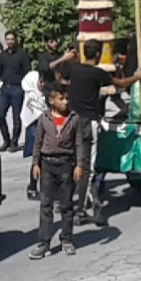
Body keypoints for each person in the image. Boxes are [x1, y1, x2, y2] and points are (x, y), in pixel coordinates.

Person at [67, 39, 141, 225]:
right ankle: (80, 210)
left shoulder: (75, 69)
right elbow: (121, 83)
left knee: (73, 162)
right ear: (98, 54)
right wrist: (137, 76)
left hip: (72, 122)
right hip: (88, 122)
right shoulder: (96, 73)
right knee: (87, 167)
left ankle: (68, 202)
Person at [28, 82, 89, 260]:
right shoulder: (44, 119)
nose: (65, 102)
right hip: (47, 165)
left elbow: (79, 143)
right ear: (51, 100)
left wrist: (79, 165)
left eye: (67, 98)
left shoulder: (74, 118)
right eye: (61, 99)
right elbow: (38, 143)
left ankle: (66, 239)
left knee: (66, 205)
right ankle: (44, 243)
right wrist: (35, 163)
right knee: (46, 205)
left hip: (65, 165)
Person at [0, 31, 31, 152]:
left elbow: (27, 72)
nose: (10, 41)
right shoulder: (2, 56)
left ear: (15, 40)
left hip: (17, 89)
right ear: (5, 41)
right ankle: (6, 140)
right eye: (8, 39)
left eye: (12, 39)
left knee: (16, 118)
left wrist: (26, 88)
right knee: (0, 115)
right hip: (5, 89)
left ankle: (14, 143)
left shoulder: (22, 54)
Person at [19, 71, 48, 200]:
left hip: (46, 128)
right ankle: (32, 188)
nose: (42, 85)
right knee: (38, 159)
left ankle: (43, 188)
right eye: (40, 82)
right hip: (35, 129)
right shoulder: (31, 96)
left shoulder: (44, 95)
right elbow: (30, 114)